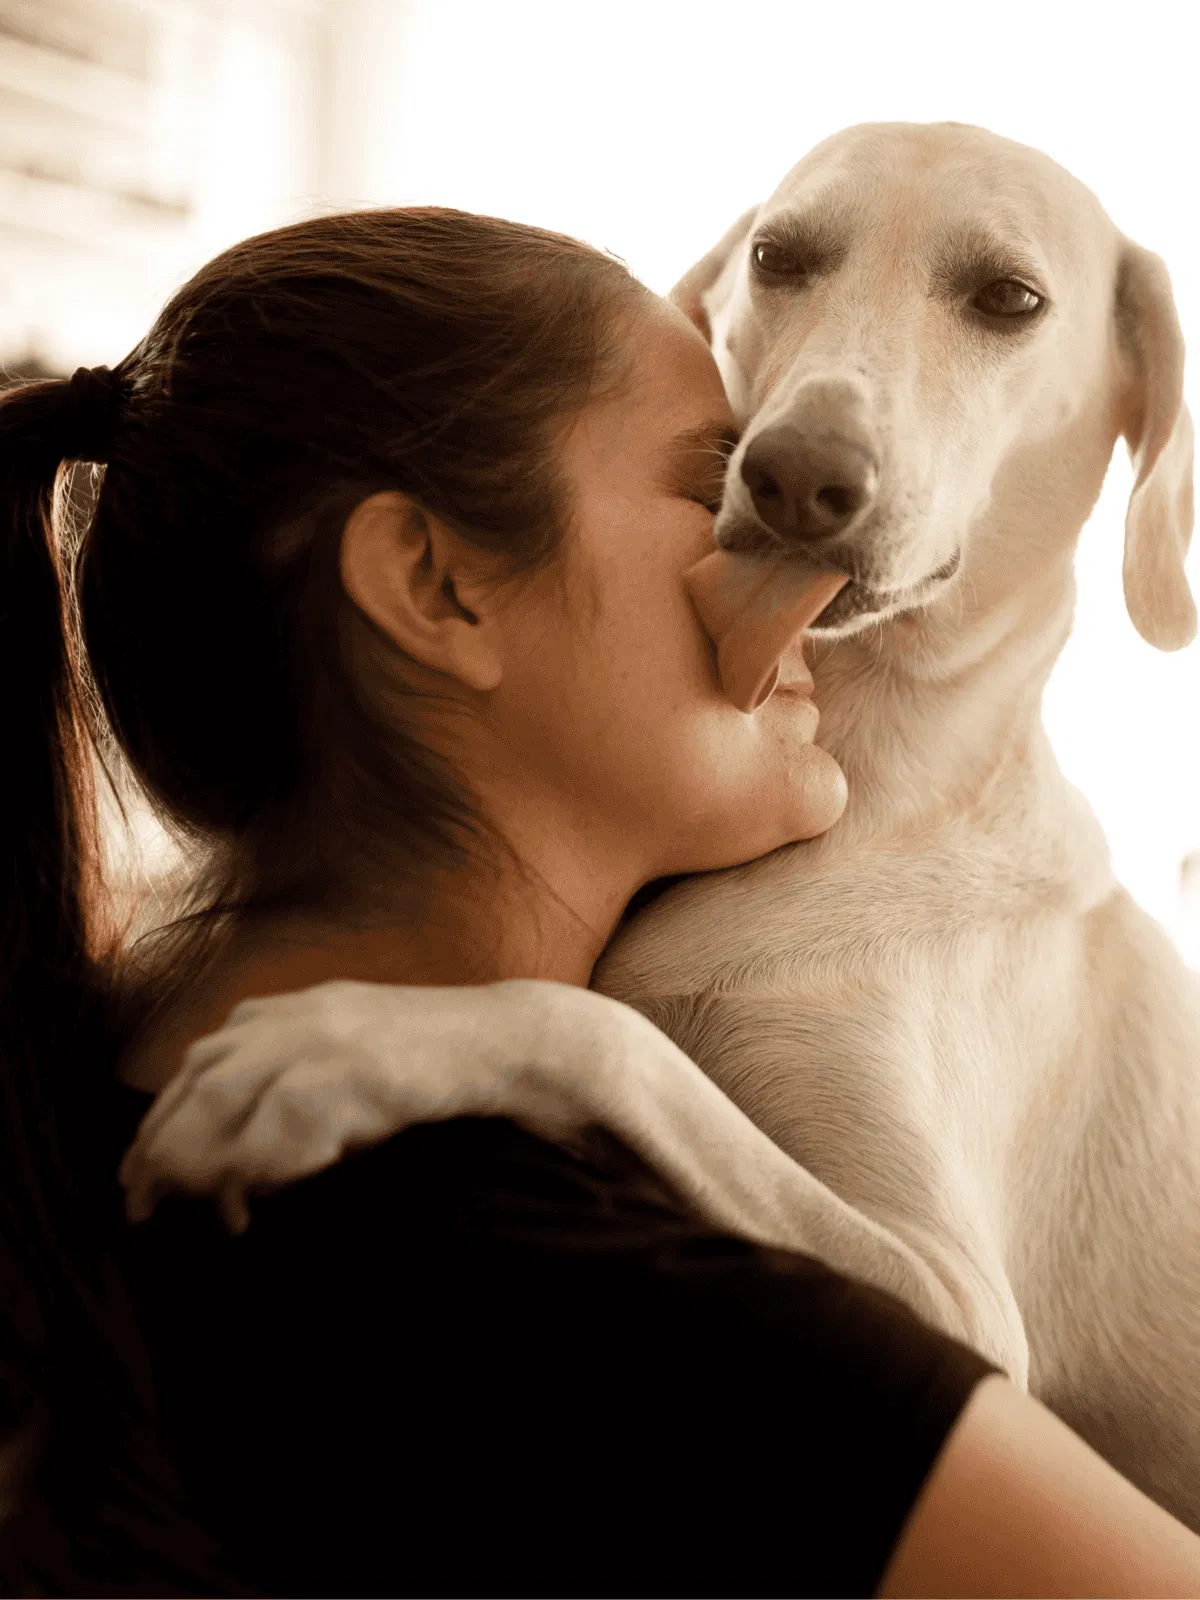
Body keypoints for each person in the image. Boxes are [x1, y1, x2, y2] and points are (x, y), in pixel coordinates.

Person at [1, 206, 1198, 1599]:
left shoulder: (104, 1077)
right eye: (718, 490)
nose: (805, 581)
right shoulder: (562, 1284)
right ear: (438, 585)